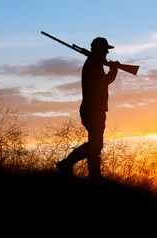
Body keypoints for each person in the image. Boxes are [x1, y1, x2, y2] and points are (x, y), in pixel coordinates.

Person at [56, 36, 120, 184]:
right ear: (98, 50)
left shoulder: (94, 63)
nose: (106, 53)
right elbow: (104, 82)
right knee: (96, 144)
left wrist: (112, 69)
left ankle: (87, 172)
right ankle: (76, 167)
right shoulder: (93, 64)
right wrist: (114, 70)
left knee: (96, 144)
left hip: (94, 109)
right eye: (105, 50)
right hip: (93, 110)